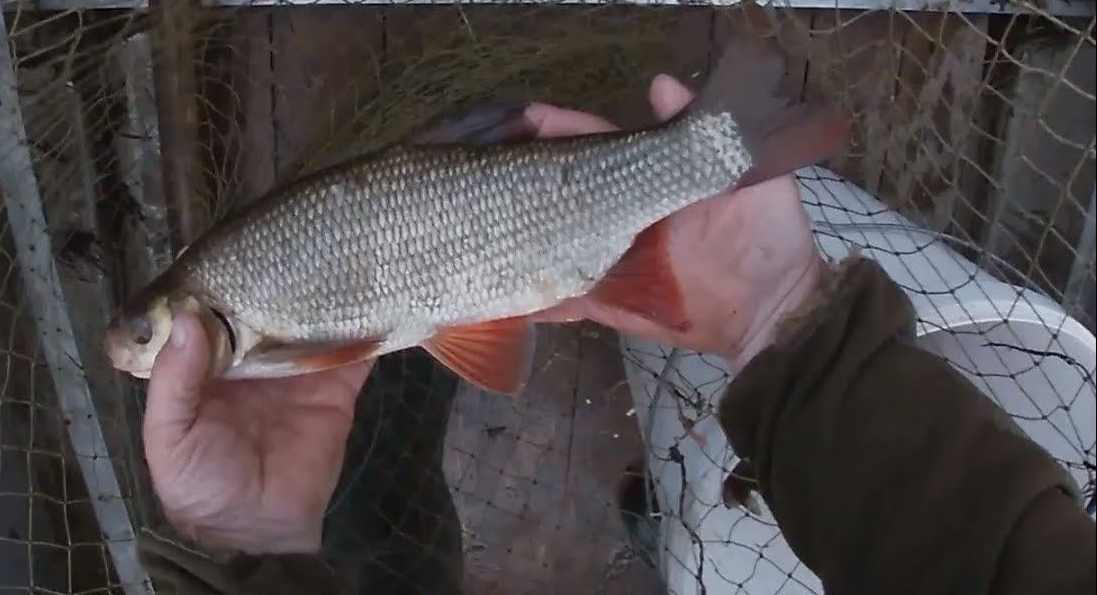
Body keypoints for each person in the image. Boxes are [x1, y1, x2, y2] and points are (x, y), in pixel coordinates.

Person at [134, 73, 1096, 593]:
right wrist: (781, 306)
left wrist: (253, 539)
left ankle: (728, 140)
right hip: (467, 272)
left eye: (147, 339)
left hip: (462, 278)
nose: (145, 360)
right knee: (434, 349)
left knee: (421, 368)